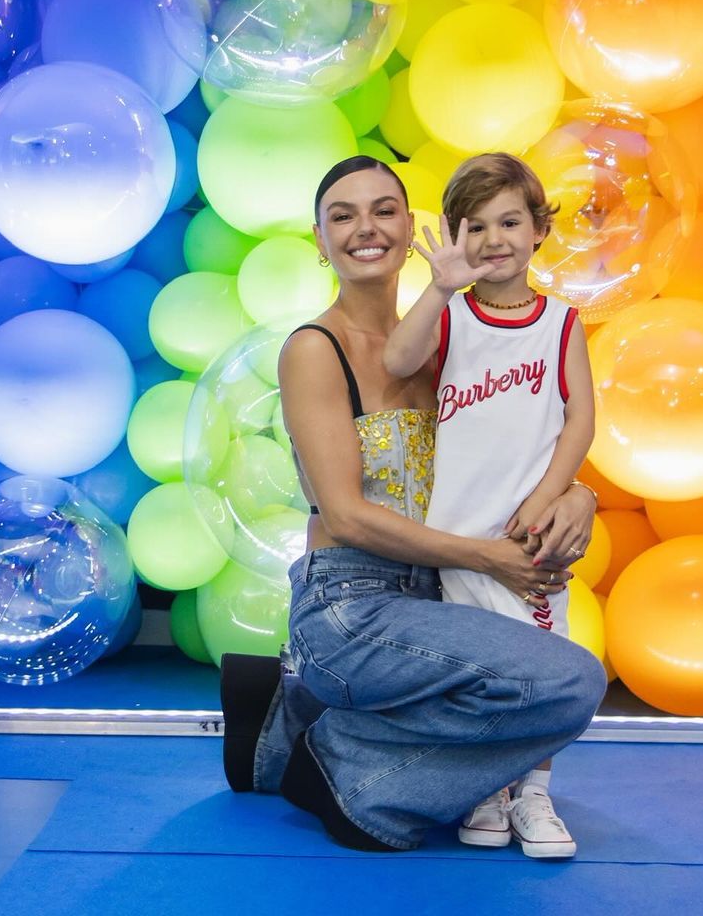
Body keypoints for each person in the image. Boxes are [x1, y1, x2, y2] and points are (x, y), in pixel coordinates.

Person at [219, 155, 605, 855]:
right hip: (351, 603)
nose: (365, 227)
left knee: (555, 673)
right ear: (319, 239)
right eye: (343, 215)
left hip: (442, 597)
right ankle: (347, 770)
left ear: (414, 229)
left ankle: (291, 721)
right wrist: (491, 557)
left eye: (383, 210)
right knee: (570, 680)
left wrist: (579, 494)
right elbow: (346, 516)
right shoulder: (315, 349)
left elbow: (516, 442)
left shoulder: (445, 344)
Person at [383, 152, 595, 858]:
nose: (495, 238)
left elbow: (580, 421)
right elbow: (396, 360)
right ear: (454, 236)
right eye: (477, 226)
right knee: (471, 673)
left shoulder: (561, 323)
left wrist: (544, 500)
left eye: (511, 221)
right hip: (455, 538)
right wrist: (439, 290)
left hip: (527, 537)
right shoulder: (455, 316)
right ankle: (486, 786)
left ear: (540, 229)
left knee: (539, 665)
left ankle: (532, 792)